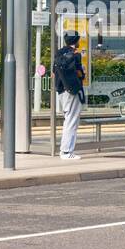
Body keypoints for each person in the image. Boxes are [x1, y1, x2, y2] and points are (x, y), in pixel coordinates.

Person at [52, 31, 86, 159]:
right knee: (71, 121)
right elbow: (79, 73)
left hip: (61, 91)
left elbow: (54, 73)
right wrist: (82, 75)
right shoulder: (76, 55)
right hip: (72, 91)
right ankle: (66, 152)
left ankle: (64, 150)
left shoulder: (59, 53)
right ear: (76, 41)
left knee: (68, 119)